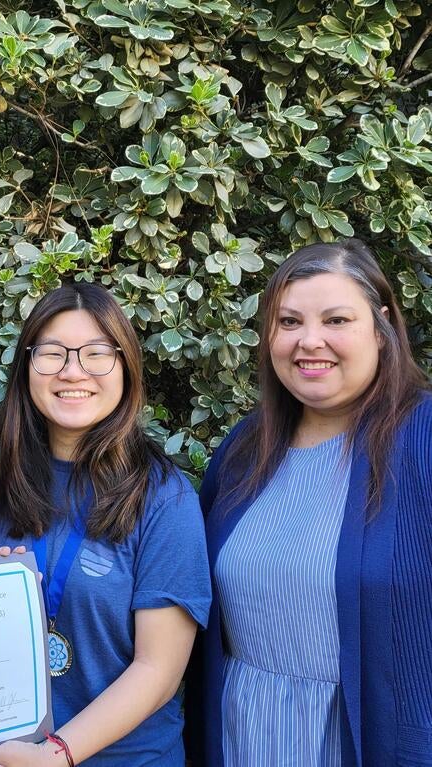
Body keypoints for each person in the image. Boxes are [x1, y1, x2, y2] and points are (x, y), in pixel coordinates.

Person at [188, 239, 432, 766]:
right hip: (242, 737)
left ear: (382, 327)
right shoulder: (243, 449)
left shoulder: (424, 438)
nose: (310, 341)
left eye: (337, 320)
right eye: (290, 321)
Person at [0, 283, 211, 767]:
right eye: (52, 353)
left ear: (126, 367)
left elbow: (158, 670)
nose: (73, 371)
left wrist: (58, 755)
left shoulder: (164, 496)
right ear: (27, 367)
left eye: (96, 354)